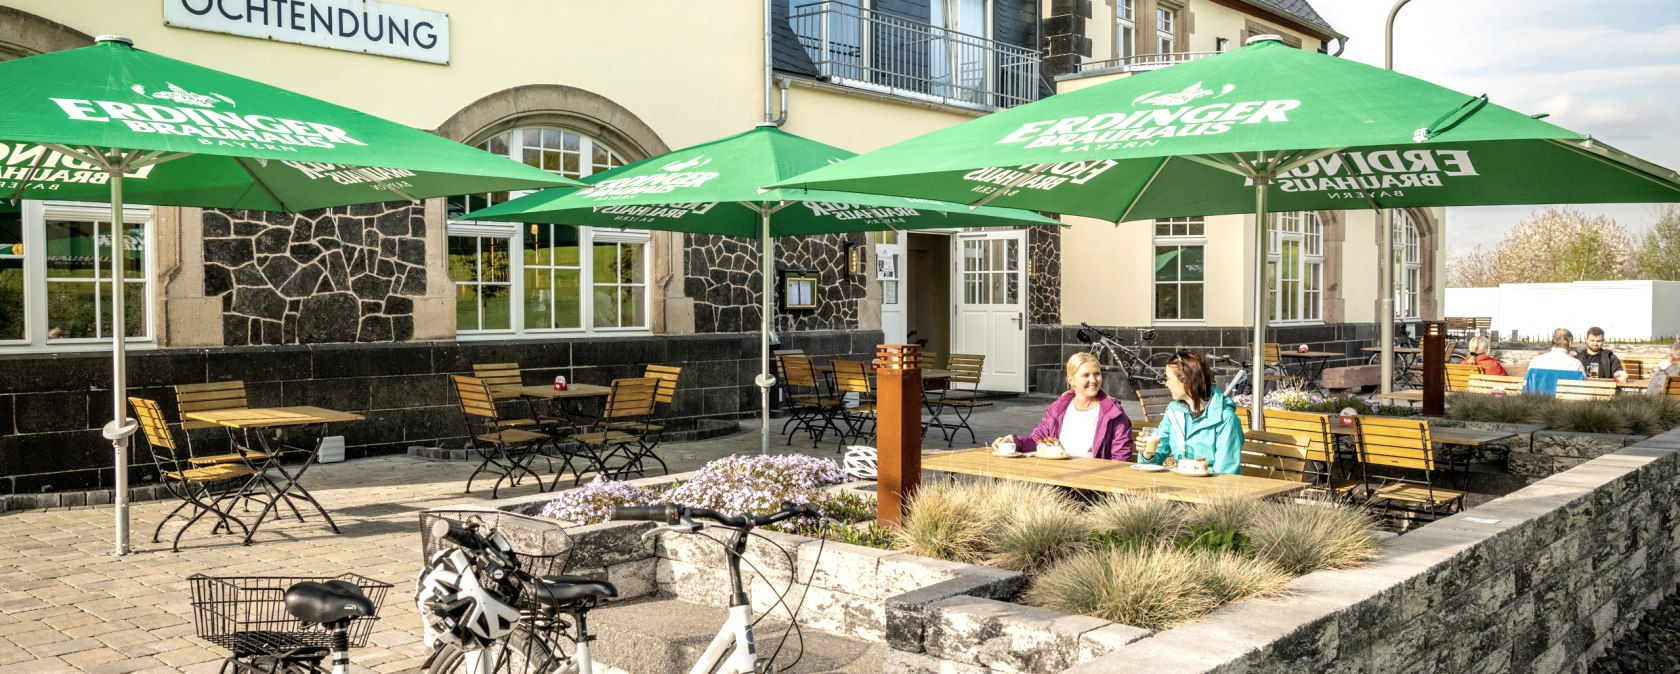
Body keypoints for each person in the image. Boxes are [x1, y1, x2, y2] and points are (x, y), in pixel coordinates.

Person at [991, 352, 1133, 460]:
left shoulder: (1113, 414)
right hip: (1058, 480)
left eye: (1097, 374)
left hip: (1092, 487)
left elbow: (1120, 460)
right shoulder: (1058, 409)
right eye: (1086, 375)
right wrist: (1011, 441)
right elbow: (1038, 439)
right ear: (1071, 380)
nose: (1093, 380)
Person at [1136, 349, 1244, 475]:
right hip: (1181, 487)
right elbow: (1152, 460)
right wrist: (1147, 453)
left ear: (1187, 380)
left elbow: (1226, 474)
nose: (1166, 384)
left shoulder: (1225, 418)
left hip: (1210, 490)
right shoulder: (1174, 411)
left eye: (1169, 379)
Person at [1523, 328, 1586, 395]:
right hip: (1567, 404)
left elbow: (1526, 386)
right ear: (1570, 343)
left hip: (1537, 403)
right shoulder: (1576, 364)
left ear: (1552, 342)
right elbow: (1584, 388)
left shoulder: (1536, 361)